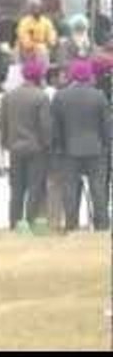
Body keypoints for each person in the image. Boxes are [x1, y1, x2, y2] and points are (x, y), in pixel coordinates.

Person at [51, 59, 111, 231]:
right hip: (96, 149)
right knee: (98, 190)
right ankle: (102, 226)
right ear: (89, 75)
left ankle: (72, 225)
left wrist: (59, 148)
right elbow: (106, 126)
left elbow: (56, 128)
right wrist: (106, 147)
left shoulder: (60, 96)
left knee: (70, 190)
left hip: (70, 151)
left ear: (72, 76)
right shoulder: (99, 95)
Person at [0, 59, 51, 231]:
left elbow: (3, 123)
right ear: (39, 76)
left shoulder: (9, 96)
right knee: (35, 187)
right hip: (36, 149)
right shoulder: (41, 96)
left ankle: (14, 223)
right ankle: (30, 222)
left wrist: (5, 142)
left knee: (17, 189)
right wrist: (47, 145)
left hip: (15, 148)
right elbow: (45, 126)